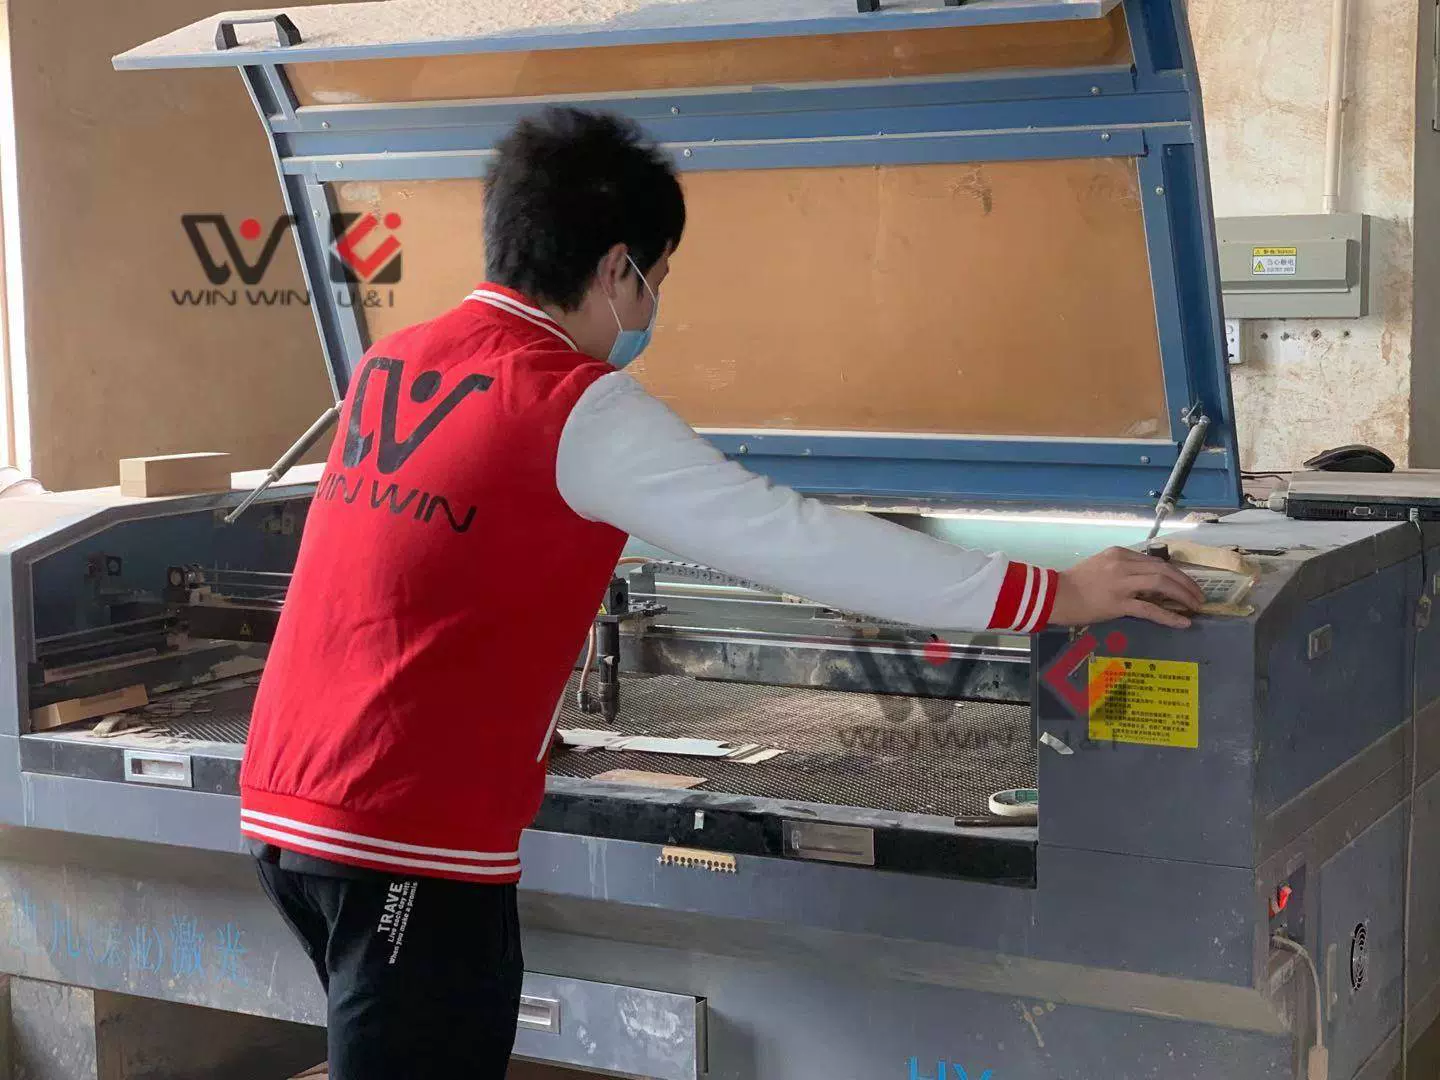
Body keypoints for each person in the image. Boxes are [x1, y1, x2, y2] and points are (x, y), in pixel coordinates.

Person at [240, 106, 1205, 1078]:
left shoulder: (396, 360)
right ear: (616, 268)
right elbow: (796, 543)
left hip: (290, 806)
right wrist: (1056, 593)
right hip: (407, 834)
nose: (652, 306)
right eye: (657, 280)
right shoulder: (573, 403)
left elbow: (430, 574)